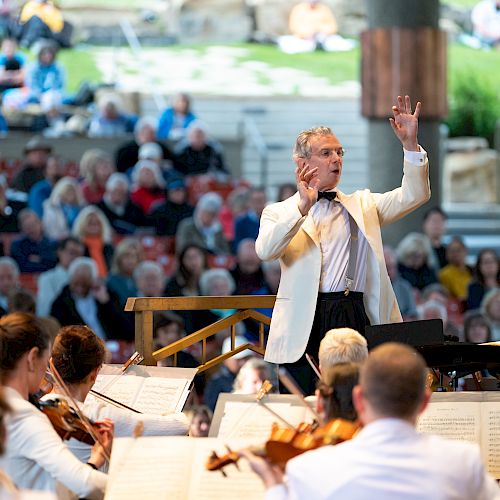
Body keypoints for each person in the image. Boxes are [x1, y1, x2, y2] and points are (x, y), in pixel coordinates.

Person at [255, 96, 430, 392]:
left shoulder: (362, 204)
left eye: (339, 152)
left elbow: (414, 195)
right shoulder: (280, 211)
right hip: (306, 319)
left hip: (353, 311)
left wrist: (410, 146)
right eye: (326, 153)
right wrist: (302, 205)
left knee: (356, 398)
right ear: (302, 163)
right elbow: (265, 251)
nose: (336, 159)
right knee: (304, 401)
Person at [245, 343, 500, 499]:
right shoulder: (464, 463)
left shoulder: (308, 469)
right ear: (424, 401)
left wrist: (274, 485)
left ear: (359, 398)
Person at [42, 324, 188, 466]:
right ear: (95, 374)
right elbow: (181, 426)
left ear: (52, 365)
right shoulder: (100, 416)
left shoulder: (40, 407)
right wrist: (167, 413)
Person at [0, 312, 111, 498]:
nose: (47, 371)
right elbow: (85, 485)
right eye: (46, 360)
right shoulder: (24, 417)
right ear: (32, 358)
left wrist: (94, 462)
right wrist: (132, 485)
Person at [50, 257, 130, 341]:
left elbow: (125, 328)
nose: (80, 287)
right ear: (70, 279)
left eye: (84, 283)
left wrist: (107, 303)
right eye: (77, 282)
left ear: (93, 280)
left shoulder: (106, 294)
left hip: (110, 344)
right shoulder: (60, 304)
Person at [278, 0, 355, 54]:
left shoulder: (324, 9)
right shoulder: (299, 9)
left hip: (322, 37)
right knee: (288, 43)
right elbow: (294, 26)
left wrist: (322, 32)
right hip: (304, 38)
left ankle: (319, 45)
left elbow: (332, 26)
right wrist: (308, 34)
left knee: (339, 43)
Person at [36, 236, 85, 317]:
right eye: (72, 253)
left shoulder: (86, 279)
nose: (76, 258)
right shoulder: (47, 278)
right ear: (60, 252)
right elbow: (45, 309)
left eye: (79, 254)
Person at [11, 208, 57, 273]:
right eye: (27, 227)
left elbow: (52, 265)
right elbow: (22, 267)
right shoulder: (17, 246)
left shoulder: (53, 244)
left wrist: (39, 259)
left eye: (33, 225)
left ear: (41, 224)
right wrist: (42, 260)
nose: (31, 229)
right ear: (21, 229)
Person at [72, 206, 114, 277]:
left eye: (97, 223)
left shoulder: (108, 247)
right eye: (90, 223)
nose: (94, 226)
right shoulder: (76, 246)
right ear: (82, 224)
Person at [42, 176, 84, 241]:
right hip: (58, 240)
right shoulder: (50, 207)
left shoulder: (81, 208)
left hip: (78, 240)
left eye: (72, 191)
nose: (70, 194)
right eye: (67, 191)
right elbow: (49, 227)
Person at [383, 245, 418, 320]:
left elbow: (413, 314)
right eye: (385, 267)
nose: (388, 271)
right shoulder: (371, 289)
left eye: (391, 267)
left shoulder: (405, 287)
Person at [106, 238, 142, 307]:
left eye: (133, 256)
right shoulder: (111, 281)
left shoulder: (141, 279)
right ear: (119, 258)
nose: (130, 261)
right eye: (126, 256)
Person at [438, 237, 472, 301]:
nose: (455, 254)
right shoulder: (443, 274)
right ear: (447, 254)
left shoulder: (473, 271)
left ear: (466, 251)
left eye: (458, 250)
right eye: (452, 251)